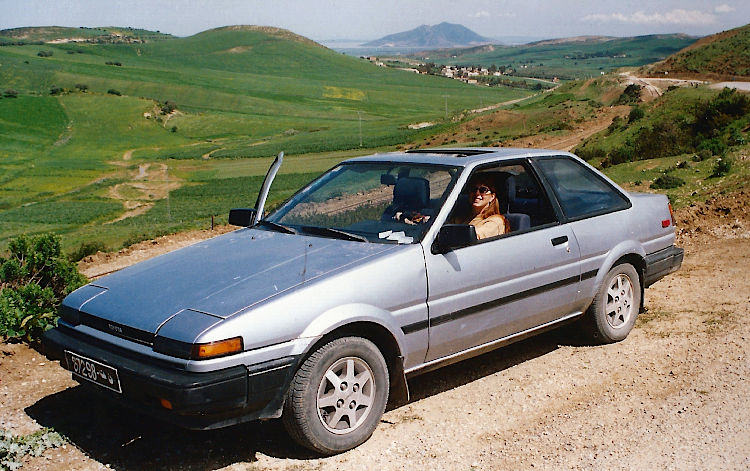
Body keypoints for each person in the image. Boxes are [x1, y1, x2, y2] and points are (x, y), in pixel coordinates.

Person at [452, 174, 509, 239]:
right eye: (474, 189)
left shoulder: (495, 221)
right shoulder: (463, 218)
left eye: (483, 190)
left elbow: (473, 238)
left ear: (492, 197)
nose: (477, 193)